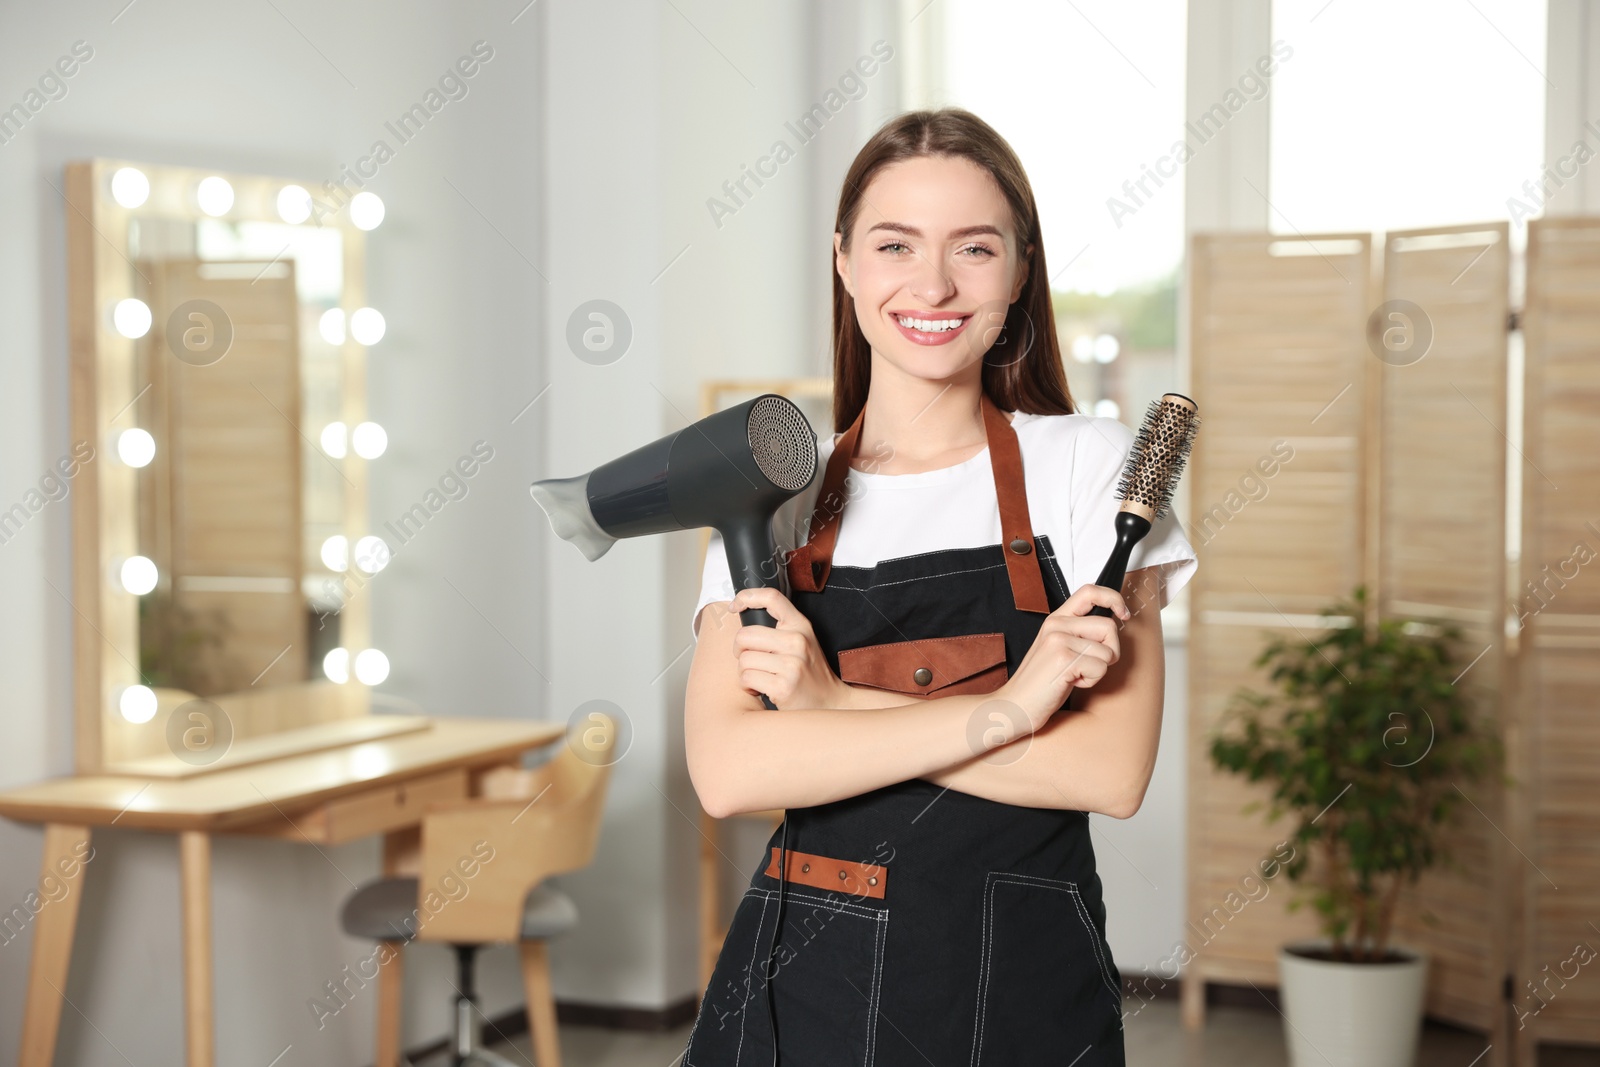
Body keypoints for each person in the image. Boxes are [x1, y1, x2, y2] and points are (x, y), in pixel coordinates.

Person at [680, 107, 1197, 1067]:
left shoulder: (1087, 471)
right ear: (843, 261)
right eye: (894, 244)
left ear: (1020, 269)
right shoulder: (773, 511)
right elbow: (731, 773)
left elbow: (1105, 773)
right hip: (802, 993)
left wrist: (833, 707)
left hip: (1019, 994)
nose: (933, 284)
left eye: (974, 247)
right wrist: (1007, 713)